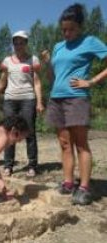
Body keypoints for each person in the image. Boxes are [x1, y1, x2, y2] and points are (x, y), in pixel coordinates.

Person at [41, 3, 107, 205]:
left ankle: (85, 187)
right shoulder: (58, 46)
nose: (66, 33)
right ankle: (68, 182)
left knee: (81, 144)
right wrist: (48, 64)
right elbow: (53, 78)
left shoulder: (90, 41)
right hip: (57, 97)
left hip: (77, 98)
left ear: (79, 27)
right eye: (63, 30)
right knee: (64, 144)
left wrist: (91, 81)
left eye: (70, 29)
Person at [0, 30, 44, 177]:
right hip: (10, 100)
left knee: (29, 131)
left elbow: (37, 82)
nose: (18, 45)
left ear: (26, 43)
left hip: (28, 99)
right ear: (13, 44)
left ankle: (32, 165)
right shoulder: (7, 61)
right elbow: (2, 81)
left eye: (22, 42)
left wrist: (39, 102)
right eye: (16, 42)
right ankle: (8, 165)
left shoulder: (33, 60)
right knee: (7, 131)